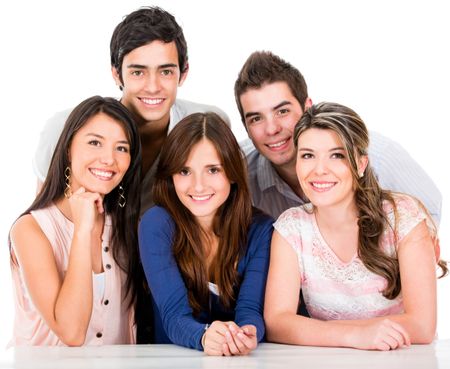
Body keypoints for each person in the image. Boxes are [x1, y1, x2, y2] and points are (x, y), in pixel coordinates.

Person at [264, 102, 448, 351]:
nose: (319, 170)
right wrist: (353, 337)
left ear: (361, 164)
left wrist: (344, 335)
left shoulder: (403, 217)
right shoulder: (291, 227)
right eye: (308, 155)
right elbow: (277, 322)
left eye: (337, 155)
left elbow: (423, 326)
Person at [33, 6, 228, 214]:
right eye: (137, 72)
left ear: (183, 73)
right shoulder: (64, 128)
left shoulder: (208, 125)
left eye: (166, 71)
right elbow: (40, 223)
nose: (153, 87)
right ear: (116, 74)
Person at [234, 51, 442, 224]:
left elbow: (427, 213)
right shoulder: (239, 172)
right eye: (256, 119)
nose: (271, 129)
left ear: (308, 108)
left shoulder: (378, 157)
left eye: (282, 112)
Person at [9, 96, 142, 346]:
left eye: (121, 148)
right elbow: (71, 332)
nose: (109, 159)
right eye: (95, 143)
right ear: (69, 148)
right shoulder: (30, 229)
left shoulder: (127, 227)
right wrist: (82, 229)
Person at [138, 112, 273, 355]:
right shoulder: (156, 224)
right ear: (170, 176)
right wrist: (203, 336)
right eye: (184, 171)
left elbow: (250, 309)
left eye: (212, 170)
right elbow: (173, 316)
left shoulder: (261, 228)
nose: (198, 186)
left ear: (231, 173)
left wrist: (248, 333)